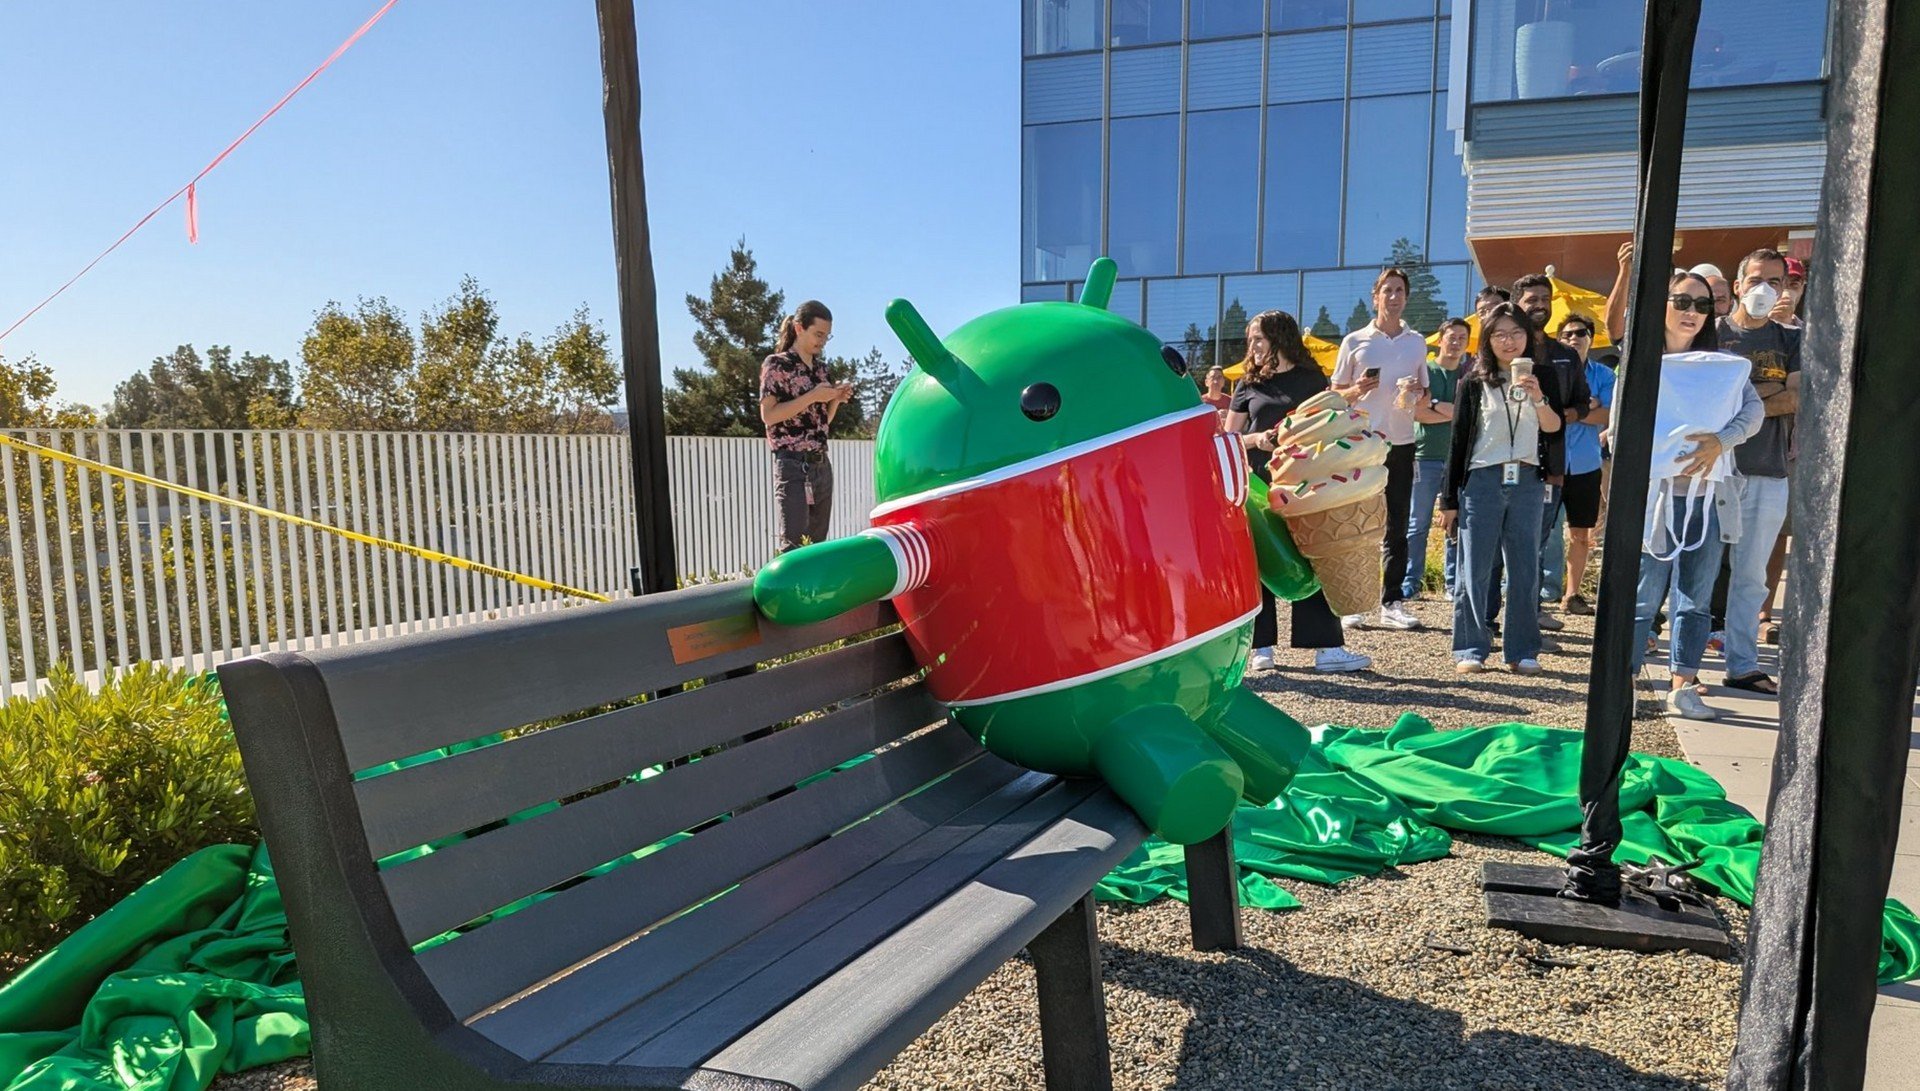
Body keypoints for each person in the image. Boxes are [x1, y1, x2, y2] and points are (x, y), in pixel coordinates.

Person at [1628, 271, 1765, 720]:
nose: (1692, 313)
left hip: (1709, 496)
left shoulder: (1721, 366)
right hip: (1653, 496)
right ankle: (1623, 679)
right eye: (1683, 301)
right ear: (1661, 304)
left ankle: (1683, 685)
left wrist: (1721, 441)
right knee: (1643, 594)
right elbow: (1622, 422)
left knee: (1696, 596)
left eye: (1703, 305)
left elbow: (1754, 410)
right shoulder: (1638, 359)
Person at [1228, 310, 1372, 674]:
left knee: (1315, 554)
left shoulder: (1312, 378)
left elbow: (1325, 423)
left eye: (1258, 338)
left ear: (1279, 337)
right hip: (1259, 483)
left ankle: (1327, 647)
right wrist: (1257, 439)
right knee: (1260, 562)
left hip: (1304, 481)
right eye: (1251, 339)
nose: (1252, 346)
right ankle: (1261, 647)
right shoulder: (1246, 384)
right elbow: (1229, 439)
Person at [1440, 303, 1561, 674]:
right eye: (1500, 334)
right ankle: (1471, 648)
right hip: (1483, 478)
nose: (1509, 342)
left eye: (1516, 333)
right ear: (1488, 340)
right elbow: (1458, 441)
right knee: (1474, 568)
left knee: (1525, 568)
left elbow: (1555, 429)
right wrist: (1449, 498)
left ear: (1529, 337)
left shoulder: (1544, 376)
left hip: (1527, 479)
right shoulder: (1474, 382)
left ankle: (1523, 648)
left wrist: (1538, 396)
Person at [1715, 248, 1801, 695]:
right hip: (1712, 471)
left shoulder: (1791, 341)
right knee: (1697, 570)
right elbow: (1707, 404)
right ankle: (1683, 667)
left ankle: (1742, 663)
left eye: (1775, 280)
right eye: (1755, 279)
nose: (1764, 289)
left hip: (1768, 472)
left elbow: (1794, 398)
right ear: (1737, 285)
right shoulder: (1710, 335)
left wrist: (1740, 403)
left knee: (1751, 577)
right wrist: (1765, 391)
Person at [1331, 268, 1429, 631]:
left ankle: (1391, 601)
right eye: (1387, 290)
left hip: (1400, 443)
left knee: (1397, 525)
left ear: (1406, 297)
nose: (1393, 296)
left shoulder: (1417, 342)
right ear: (1375, 296)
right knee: (1357, 523)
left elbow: (1424, 392)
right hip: (1360, 442)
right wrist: (1357, 389)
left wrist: (1417, 393)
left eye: (1399, 290)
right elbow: (1335, 395)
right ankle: (1354, 602)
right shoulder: (1354, 341)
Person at [1511, 273, 1592, 627]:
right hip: (1508, 459)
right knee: (1507, 541)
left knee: (1539, 538)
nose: (1540, 305)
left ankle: (1531, 611)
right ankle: (1497, 613)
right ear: (1517, 305)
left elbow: (1583, 404)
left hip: (1551, 462)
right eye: (1532, 299)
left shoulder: (1564, 355)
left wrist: (1558, 416)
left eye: (1545, 298)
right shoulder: (1507, 349)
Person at [759, 300, 851, 553]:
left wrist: (835, 400)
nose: (822, 341)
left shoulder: (822, 371)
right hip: (792, 465)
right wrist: (812, 396)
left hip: (821, 465)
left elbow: (821, 425)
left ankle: (814, 593)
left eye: (827, 336)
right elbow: (769, 416)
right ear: (799, 328)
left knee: (817, 547)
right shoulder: (777, 364)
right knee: (794, 546)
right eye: (818, 334)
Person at [1405, 317, 1471, 602]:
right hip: (1425, 456)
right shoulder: (1426, 372)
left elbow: (1470, 417)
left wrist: (1434, 406)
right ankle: (1411, 581)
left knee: (1455, 522)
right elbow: (1416, 413)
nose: (1455, 342)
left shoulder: (1469, 375)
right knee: (1417, 523)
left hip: (1459, 459)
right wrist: (1450, 412)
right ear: (1440, 339)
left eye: (1461, 338)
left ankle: (1453, 582)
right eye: (1451, 337)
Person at [1552, 313, 1614, 615]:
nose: (1574, 338)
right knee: (1540, 532)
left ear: (1591, 338)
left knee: (1581, 533)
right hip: (1549, 461)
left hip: (1586, 463)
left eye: (1580, 333)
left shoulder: (1603, 375)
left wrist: (1572, 411)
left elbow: (1610, 417)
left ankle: (1572, 594)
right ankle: (1535, 593)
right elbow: (1545, 413)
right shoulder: (1550, 370)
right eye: (1567, 334)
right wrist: (1587, 406)